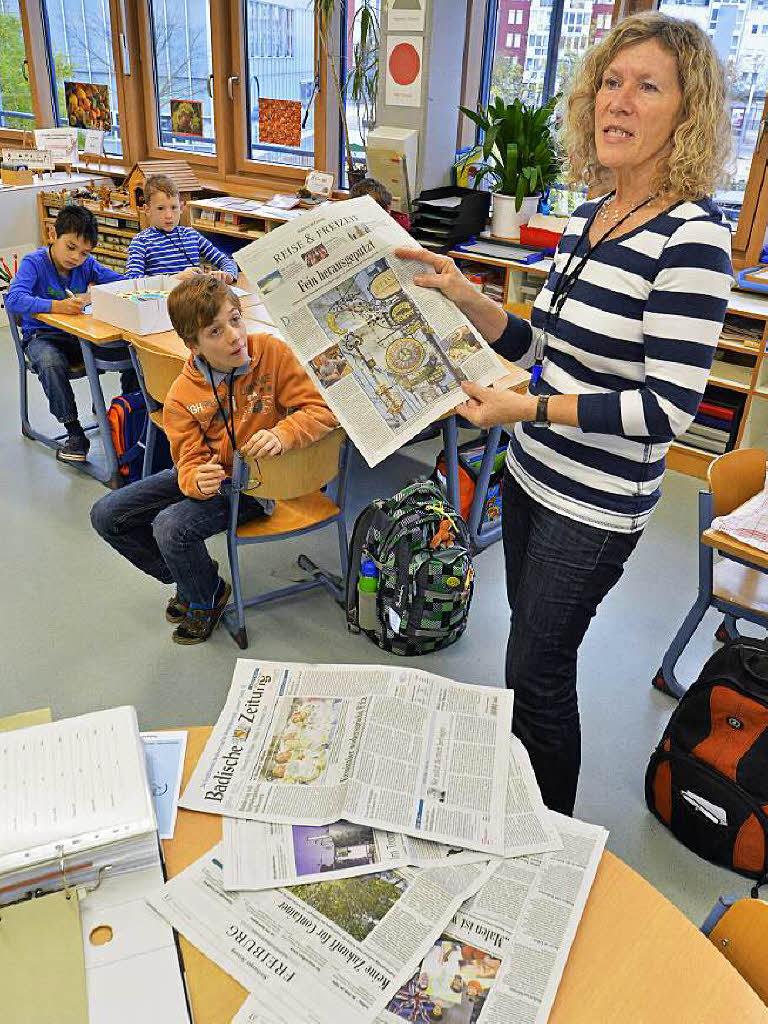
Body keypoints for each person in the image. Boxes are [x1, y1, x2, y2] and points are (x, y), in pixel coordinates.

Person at [396, 12, 733, 815]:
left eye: (647, 86)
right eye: (610, 83)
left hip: (596, 505)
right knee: (528, 644)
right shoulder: (589, 217)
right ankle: (520, 797)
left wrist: (530, 405)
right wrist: (457, 289)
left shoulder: (692, 240)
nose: (618, 101)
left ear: (687, 113)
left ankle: (545, 838)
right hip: (531, 474)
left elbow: (669, 408)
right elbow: (539, 344)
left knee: (538, 671)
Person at [90, 276, 337, 645]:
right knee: (106, 515)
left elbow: (322, 408)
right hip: (214, 476)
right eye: (215, 331)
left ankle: (202, 597)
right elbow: (187, 462)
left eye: (236, 320)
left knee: (171, 527)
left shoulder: (270, 352)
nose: (235, 336)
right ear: (193, 345)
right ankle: (196, 580)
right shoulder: (181, 397)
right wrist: (193, 479)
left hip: (259, 484)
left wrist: (283, 433)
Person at [6, 204, 138, 462]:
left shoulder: (87, 265)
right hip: (42, 337)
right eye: (71, 247)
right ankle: (74, 431)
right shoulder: (35, 262)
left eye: (84, 252)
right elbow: (14, 300)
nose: (77, 258)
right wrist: (57, 306)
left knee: (133, 351)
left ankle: (123, 414)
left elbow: (122, 282)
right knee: (49, 361)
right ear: (53, 235)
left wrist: (94, 294)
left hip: (78, 337)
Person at [125, 174, 239, 282]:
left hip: (192, 299)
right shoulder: (141, 242)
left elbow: (226, 261)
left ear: (181, 207)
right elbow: (132, 280)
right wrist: (175, 278)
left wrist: (227, 275)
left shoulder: (192, 235)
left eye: (174, 207)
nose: (169, 216)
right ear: (147, 210)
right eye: (160, 208)